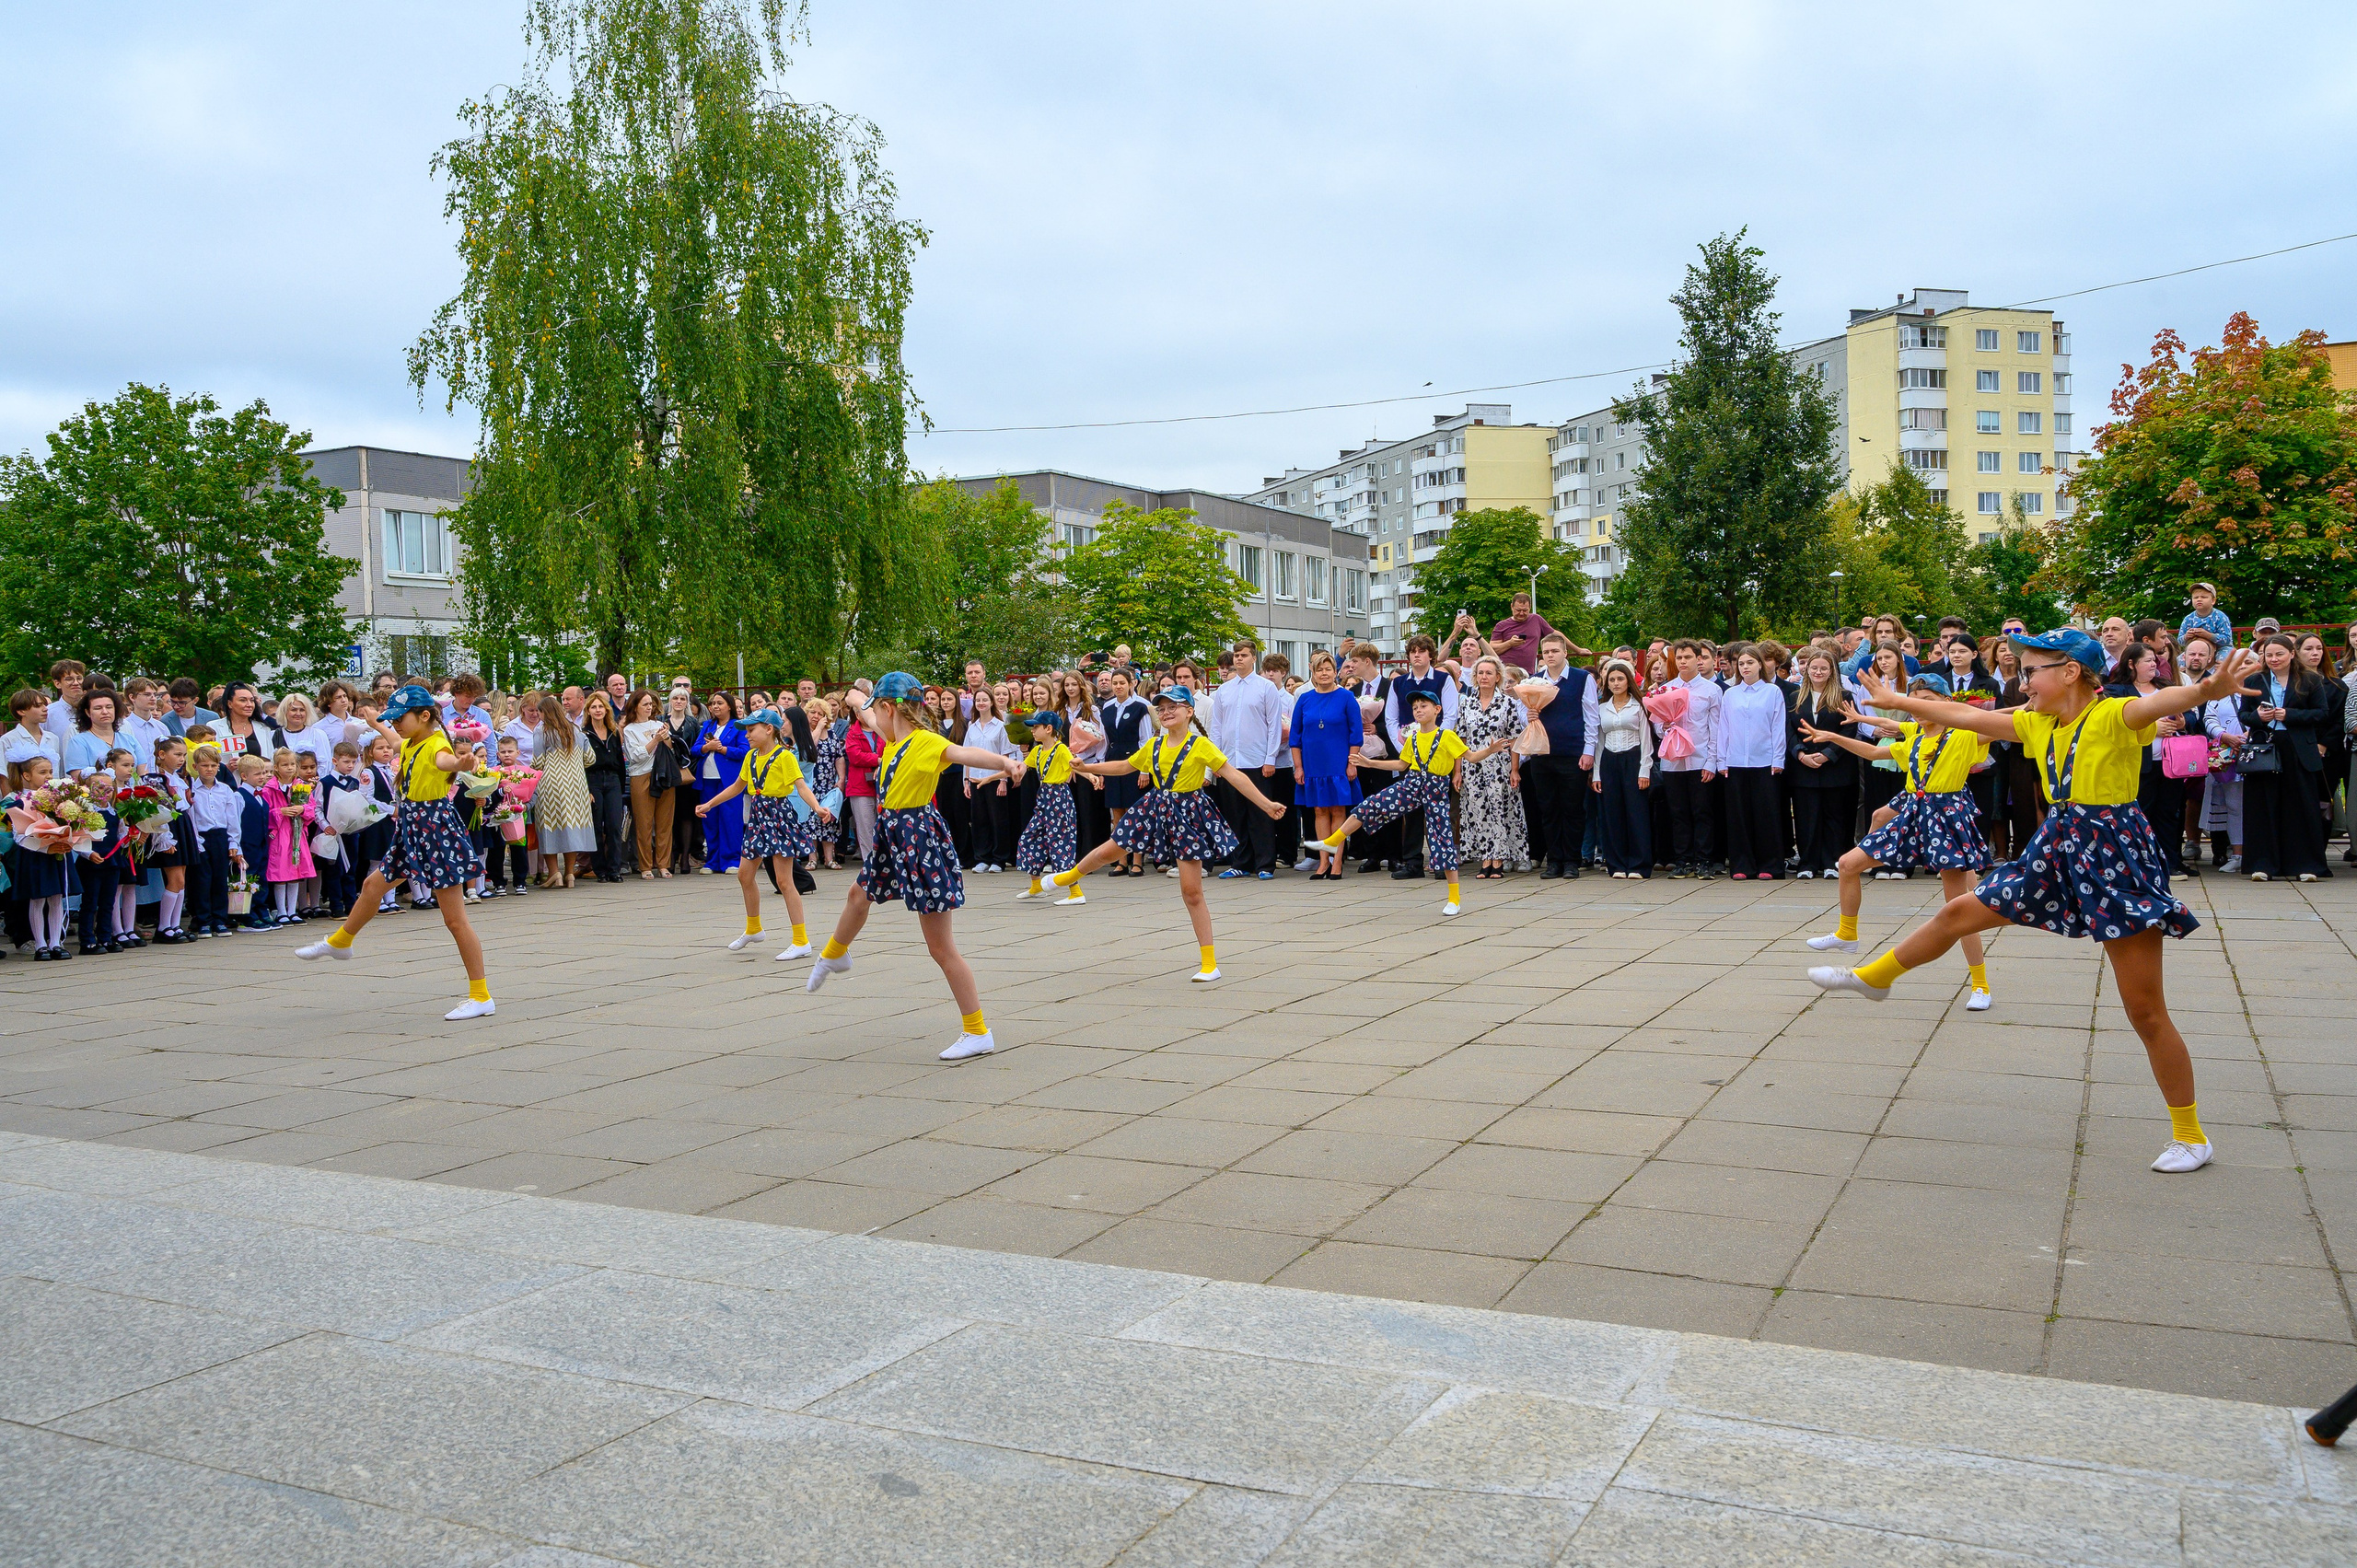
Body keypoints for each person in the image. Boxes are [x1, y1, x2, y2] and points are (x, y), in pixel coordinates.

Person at [1810, 631, 2262, 1174]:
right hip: (2054, 845)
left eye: (2032, 671)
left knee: (2145, 1011)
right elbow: (1964, 716)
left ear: (2070, 672)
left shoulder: (2114, 714)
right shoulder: (2035, 722)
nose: (2024, 682)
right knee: (1958, 911)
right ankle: (1876, 977)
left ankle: (2191, 1135)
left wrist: (2208, 688)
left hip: (2114, 855)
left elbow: (2162, 702)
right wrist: (1895, 701)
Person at [806, 673, 1019, 1061]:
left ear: (890, 708)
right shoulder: (893, 737)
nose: (872, 720)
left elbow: (964, 755)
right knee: (858, 895)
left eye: (877, 711)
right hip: (893, 833)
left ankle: (977, 1031)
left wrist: (1004, 760)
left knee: (941, 947)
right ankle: (835, 952)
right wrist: (857, 698)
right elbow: (868, 716)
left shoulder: (923, 742)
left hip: (919, 840)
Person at [295, 684, 497, 1021]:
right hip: (413, 829)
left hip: (436, 832)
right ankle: (341, 942)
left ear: (425, 716)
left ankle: (481, 995)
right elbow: (396, 741)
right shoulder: (412, 741)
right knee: (373, 886)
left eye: (400, 718)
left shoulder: (436, 745)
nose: (397, 724)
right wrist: (376, 722)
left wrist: (462, 761)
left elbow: (445, 760)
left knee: (455, 920)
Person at [1056, 686, 1287, 975]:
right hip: (1154, 806)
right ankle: (1072, 877)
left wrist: (1265, 804)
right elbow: (1125, 766)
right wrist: (1089, 767)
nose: (1166, 712)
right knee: (1111, 849)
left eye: (1173, 707)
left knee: (1191, 892)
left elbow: (1233, 775)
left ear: (1189, 712)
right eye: (1161, 709)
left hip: (1187, 813)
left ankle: (1209, 962)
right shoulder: (1154, 745)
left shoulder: (1200, 745)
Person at [1802, 673, 1996, 1010]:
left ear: (1949, 704)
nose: (1919, 709)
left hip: (1947, 817)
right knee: (1848, 864)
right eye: (1915, 702)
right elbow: (1876, 752)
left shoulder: (1965, 735)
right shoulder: (1917, 737)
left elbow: (2001, 721)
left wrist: (2035, 704)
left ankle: (1980, 984)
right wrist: (1834, 735)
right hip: (1912, 811)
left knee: (1958, 908)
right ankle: (1847, 934)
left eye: (1929, 702)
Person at [1314, 689, 1468, 914]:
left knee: (1442, 839)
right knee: (1371, 804)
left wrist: (1490, 750)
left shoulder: (1447, 736)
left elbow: (1468, 756)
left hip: (1435, 790)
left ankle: (1454, 898)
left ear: (1437, 710)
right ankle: (1334, 839)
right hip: (1412, 784)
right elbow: (1400, 765)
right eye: (1415, 707)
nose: (1418, 710)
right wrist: (1369, 763)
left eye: (1423, 706)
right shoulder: (1413, 737)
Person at [697, 707, 830, 958]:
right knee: (745, 875)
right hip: (758, 817)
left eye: (751, 730)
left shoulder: (785, 756)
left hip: (778, 816)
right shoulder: (750, 757)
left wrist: (816, 807)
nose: (746, 735)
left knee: (784, 881)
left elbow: (800, 785)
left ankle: (801, 941)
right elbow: (738, 786)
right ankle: (754, 928)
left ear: (769, 729)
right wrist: (710, 803)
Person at [2240, 633, 2332, 882]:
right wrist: (2258, 717)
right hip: (2265, 749)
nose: (2273, 659)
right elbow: (2244, 716)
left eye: (2279, 654)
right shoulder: (2254, 679)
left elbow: (2322, 714)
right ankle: (2263, 864)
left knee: (2300, 807)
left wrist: (2288, 714)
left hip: (2297, 749)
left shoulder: (2310, 680)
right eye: (2269, 655)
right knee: (2263, 806)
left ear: (2292, 654)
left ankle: (2305, 865)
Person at [1515, 633, 1599, 879]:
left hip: (1572, 752)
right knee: (1548, 808)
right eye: (1547, 652)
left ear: (1565, 652)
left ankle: (1572, 861)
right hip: (1542, 753)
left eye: (1555, 651)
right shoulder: (1533, 680)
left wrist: (1588, 751)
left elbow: (1592, 717)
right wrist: (1528, 716)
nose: (1550, 656)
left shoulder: (1582, 678)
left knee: (1572, 808)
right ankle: (1555, 860)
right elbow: (1522, 712)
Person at [1209, 641, 1287, 881]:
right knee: (1234, 815)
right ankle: (1240, 862)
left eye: (1243, 655)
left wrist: (1270, 758)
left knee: (1260, 813)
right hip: (1230, 762)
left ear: (1254, 658)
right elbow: (1217, 728)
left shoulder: (1265, 688)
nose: (1238, 659)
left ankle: (1265, 863)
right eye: (1236, 655)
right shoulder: (1224, 690)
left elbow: (1274, 725)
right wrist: (1217, 762)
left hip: (1256, 760)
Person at [1288, 651, 1363, 882]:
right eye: (1319, 669)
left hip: (1338, 762)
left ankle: (1337, 861)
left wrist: (1352, 762)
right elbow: (1295, 737)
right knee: (1319, 811)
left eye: (1328, 669)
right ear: (1313, 672)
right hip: (1312, 764)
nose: (1324, 673)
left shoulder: (1346, 697)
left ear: (1335, 672)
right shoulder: (1304, 699)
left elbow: (1356, 734)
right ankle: (1323, 862)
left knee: (1338, 810)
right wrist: (1298, 767)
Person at [1454, 656, 1528, 878]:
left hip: (1499, 765)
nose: (1484, 677)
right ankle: (1485, 858)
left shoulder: (1508, 703)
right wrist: (1457, 771)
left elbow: (1515, 738)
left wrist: (1515, 769)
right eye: (1480, 673)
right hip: (1473, 764)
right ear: (1475, 677)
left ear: (1498, 677)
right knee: (1478, 811)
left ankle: (1498, 859)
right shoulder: (1466, 703)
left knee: (1498, 810)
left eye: (1489, 673)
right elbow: (1461, 739)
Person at [1788, 650, 1857, 879]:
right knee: (1806, 817)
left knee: (1833, 816)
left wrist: (1828, 754)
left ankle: (1831, 862)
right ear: (1806, 669)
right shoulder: (1795, 697)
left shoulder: (1844, 696)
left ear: (1831, 671)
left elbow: (1849, 729)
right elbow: (1789, 732)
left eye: (1823, 668)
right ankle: (1807, 863)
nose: (1818, 672)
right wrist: (1800, 754)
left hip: (1834, 767)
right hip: (1803, 767)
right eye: (1814, 667)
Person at [1590, 658, 1653, 877]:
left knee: (1636, 813)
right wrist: (1596, 773)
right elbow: (1598, 742)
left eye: (1620, 679)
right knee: (1612, 814)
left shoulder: (1640, 705)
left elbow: (1646, 740)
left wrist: (1645, 770)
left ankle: (1639, 864)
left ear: (1629, 681)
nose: (1616, 683)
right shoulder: (1601, 708)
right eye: (1612, 680)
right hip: (1609, 761)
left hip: (1633, 759)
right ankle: (1617, 864)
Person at [1011, 711, 1083, 902]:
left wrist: (1092, 776)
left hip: (1059, 798)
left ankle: (1076, 892)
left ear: (1049, 729)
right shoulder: (1037, 751)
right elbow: (1021, 767)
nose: (1033, 731)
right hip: (1044, 799)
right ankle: (1036, 886)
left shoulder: (1060, 750)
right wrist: (990, 777)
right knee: (1029, 838)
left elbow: (1075, 765)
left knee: (1061, 844)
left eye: (1036, 727)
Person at [530, 694, 598, 889]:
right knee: (572, 828)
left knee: (548, 827)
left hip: (551, 783)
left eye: (540, 712)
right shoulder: (576, 731)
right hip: (576, 785)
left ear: (545, 713)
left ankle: (554, 873)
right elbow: (590, 759)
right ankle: (570, 874)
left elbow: (538, 761)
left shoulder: (542, 731)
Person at [958, 686, 1020, 873]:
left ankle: (999, 859)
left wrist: (1003, 781)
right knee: (979, 820)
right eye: (978, 701)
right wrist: (966, 781)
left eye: (985, 700)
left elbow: (1006, 754)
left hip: (995, 780)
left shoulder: (1000, 726)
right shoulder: (972, 727)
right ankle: (981, 858)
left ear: (992, 702)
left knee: (998, 820)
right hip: (976, 779)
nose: (981, 703)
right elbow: (966, 755)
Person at [1098, 666, 1154, 877]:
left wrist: (1144, 770)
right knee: (1117, 813)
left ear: (1132, 684)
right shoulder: (1108, 707)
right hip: (1114, 760)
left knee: (1135, 812)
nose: (1118, 686)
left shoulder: (1142, 706)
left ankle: (1137, 860)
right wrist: (1102, 768)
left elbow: (1146, 740)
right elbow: (1105, 740)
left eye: (1122, 683)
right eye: (1115, 683)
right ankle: (1121, 859)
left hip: (1134, 762)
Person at [691, 691, 750, 873]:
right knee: (710, 820)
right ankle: (713, 861)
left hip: (729, 781)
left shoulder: (738, 726)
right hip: (707, 779)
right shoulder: (707, 725)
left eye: (720, 703)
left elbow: (744, 751)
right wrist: (706, 747)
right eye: (713, 703)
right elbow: (694, 749)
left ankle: (732, 860)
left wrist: (723, 749)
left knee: (730, 820)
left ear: (729, 706)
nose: (715, 707)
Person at [619, 691, 671, 879]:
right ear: (635, 707)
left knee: (665, 822)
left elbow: (671, 749)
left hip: (663, 775)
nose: (649, 707)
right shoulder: (630, 729)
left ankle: (664, 864)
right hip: (641, 776)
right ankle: (645, 865)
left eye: (651, 704)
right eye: (645, 704)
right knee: (644, 823)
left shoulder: (659, 724)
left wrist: (666, 737)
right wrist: (655, 740)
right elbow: (636, 756)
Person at [579, 691, 628, 883]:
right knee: (596, 826)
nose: (598, 710)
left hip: (613, 780)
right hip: (593, 780)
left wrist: (621, 786)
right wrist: (587, 790)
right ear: (588, 711)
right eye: (594, 707)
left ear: (606, 709)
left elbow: (620, 761)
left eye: (601, 707)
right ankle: (600, 869)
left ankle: (614, 869)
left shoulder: (614, 732)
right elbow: (581, 763)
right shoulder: (584, 734)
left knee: (614, 826)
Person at [1489, 591, 1569, 674]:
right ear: (1511, 607)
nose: (1521, 613)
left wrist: (1578, 650)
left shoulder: (1536, 620)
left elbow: (1556, 636)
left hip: (1528, 673)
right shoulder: (1501, 625)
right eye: (1518, 610)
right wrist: (1510, 643)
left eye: (1525, 610)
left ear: (1530, 607)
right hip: (1506, 672)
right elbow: (1491, 649)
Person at [2179, 583, 2233, 649]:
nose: (2199, 599)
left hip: (2219, 649)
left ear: (2213, 601)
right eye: (2195, 597)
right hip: (2195, 650)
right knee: (2179, 659)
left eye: (2204, 597)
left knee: (2222, 659)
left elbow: (2227, 640)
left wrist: (2208, 636)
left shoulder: (2220, 617)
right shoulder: (2188, 619)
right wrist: (2186, 636)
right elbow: (2179, 642)